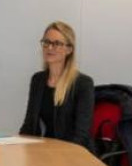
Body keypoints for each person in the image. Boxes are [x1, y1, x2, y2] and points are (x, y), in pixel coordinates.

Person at [18, 21, 94, 150]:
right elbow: (29, 125)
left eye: (57, 43)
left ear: (69, 49)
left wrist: (59, 155)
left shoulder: (83, 84)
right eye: (46, 42)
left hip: (73, 154)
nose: (49, 47)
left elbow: (81, 136)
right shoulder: (38, 80)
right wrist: (18, 146)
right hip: (44, 150)